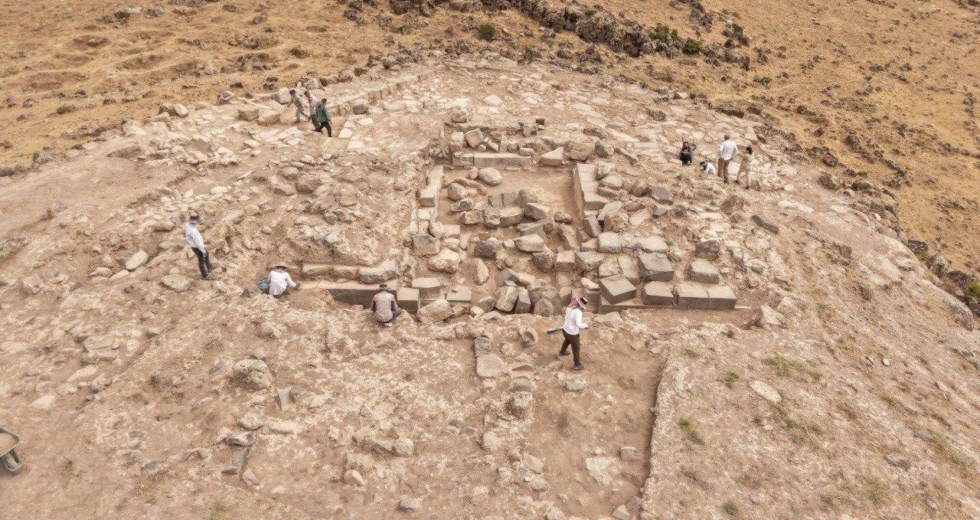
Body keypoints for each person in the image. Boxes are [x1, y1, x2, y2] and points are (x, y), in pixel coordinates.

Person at [559, 297, 589, 370]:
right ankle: (577, 364)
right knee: (576, 349)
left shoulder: (569, 307)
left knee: (567, 340)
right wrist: (586, 325)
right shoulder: (578, 312)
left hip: (565, 329)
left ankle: (562, 352)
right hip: (572, 333)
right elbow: (579, 324)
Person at [185, 214, 214, 280]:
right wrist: (203, 250)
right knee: (201, 261)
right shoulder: (194, 231)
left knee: (206, 253)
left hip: (194, 245)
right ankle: (205, 276)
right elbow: (198, 243)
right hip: (197, 247)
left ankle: (209, 266)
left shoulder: (187, 224)